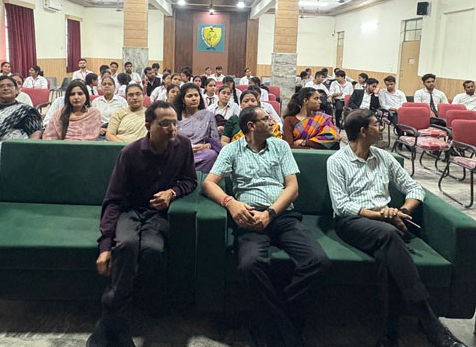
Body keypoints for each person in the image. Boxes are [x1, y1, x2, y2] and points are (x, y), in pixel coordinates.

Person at [327, 110, 467, 347]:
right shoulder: (336, 161)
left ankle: (389, 335)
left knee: (387, 256)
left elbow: (414, 188)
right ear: (362, 131)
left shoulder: (384, 157)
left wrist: (402, 210)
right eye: (376, 124)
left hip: (387, 223)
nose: (382, 128)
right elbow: (341, 205)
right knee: (390, 234)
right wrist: (380, 215)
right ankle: (430, 323)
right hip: (353, 221)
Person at [202, 106, 331, 347]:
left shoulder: (280, 146)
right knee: (250, 264)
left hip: (282, 215)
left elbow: (292, 188)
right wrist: (230, 203)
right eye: (266, 118)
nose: (272, 121)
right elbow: (209, 183)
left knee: (318, 261)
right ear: (251, 126)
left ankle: (271, 322)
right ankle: (287, 332)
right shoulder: (232, 150)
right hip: (250, 217)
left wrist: (270, 213)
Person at [90, 101, 198, 347]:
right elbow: (113, 200)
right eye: (165, 124)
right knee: (126, 245)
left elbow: (190, 180)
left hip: (158, 215)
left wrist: (171, 192)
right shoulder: (130, 153)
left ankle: (115, 318)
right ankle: (115, 322)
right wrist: (105, 246)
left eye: (175, 123)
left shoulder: (183, 146)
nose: (172, 129)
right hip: (130, 211)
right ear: (148, 125)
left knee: (153, 250)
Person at [174, 82, 221, 173]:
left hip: (201, 152)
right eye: (190, 96)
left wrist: (206, 146)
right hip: (181, 151)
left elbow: (215, 141)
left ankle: (195, 177)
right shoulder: (175, 116)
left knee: (212, 155)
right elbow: (170, 140)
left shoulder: (207, 115)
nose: (194, 98)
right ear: (183, 99)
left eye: (196, 95)